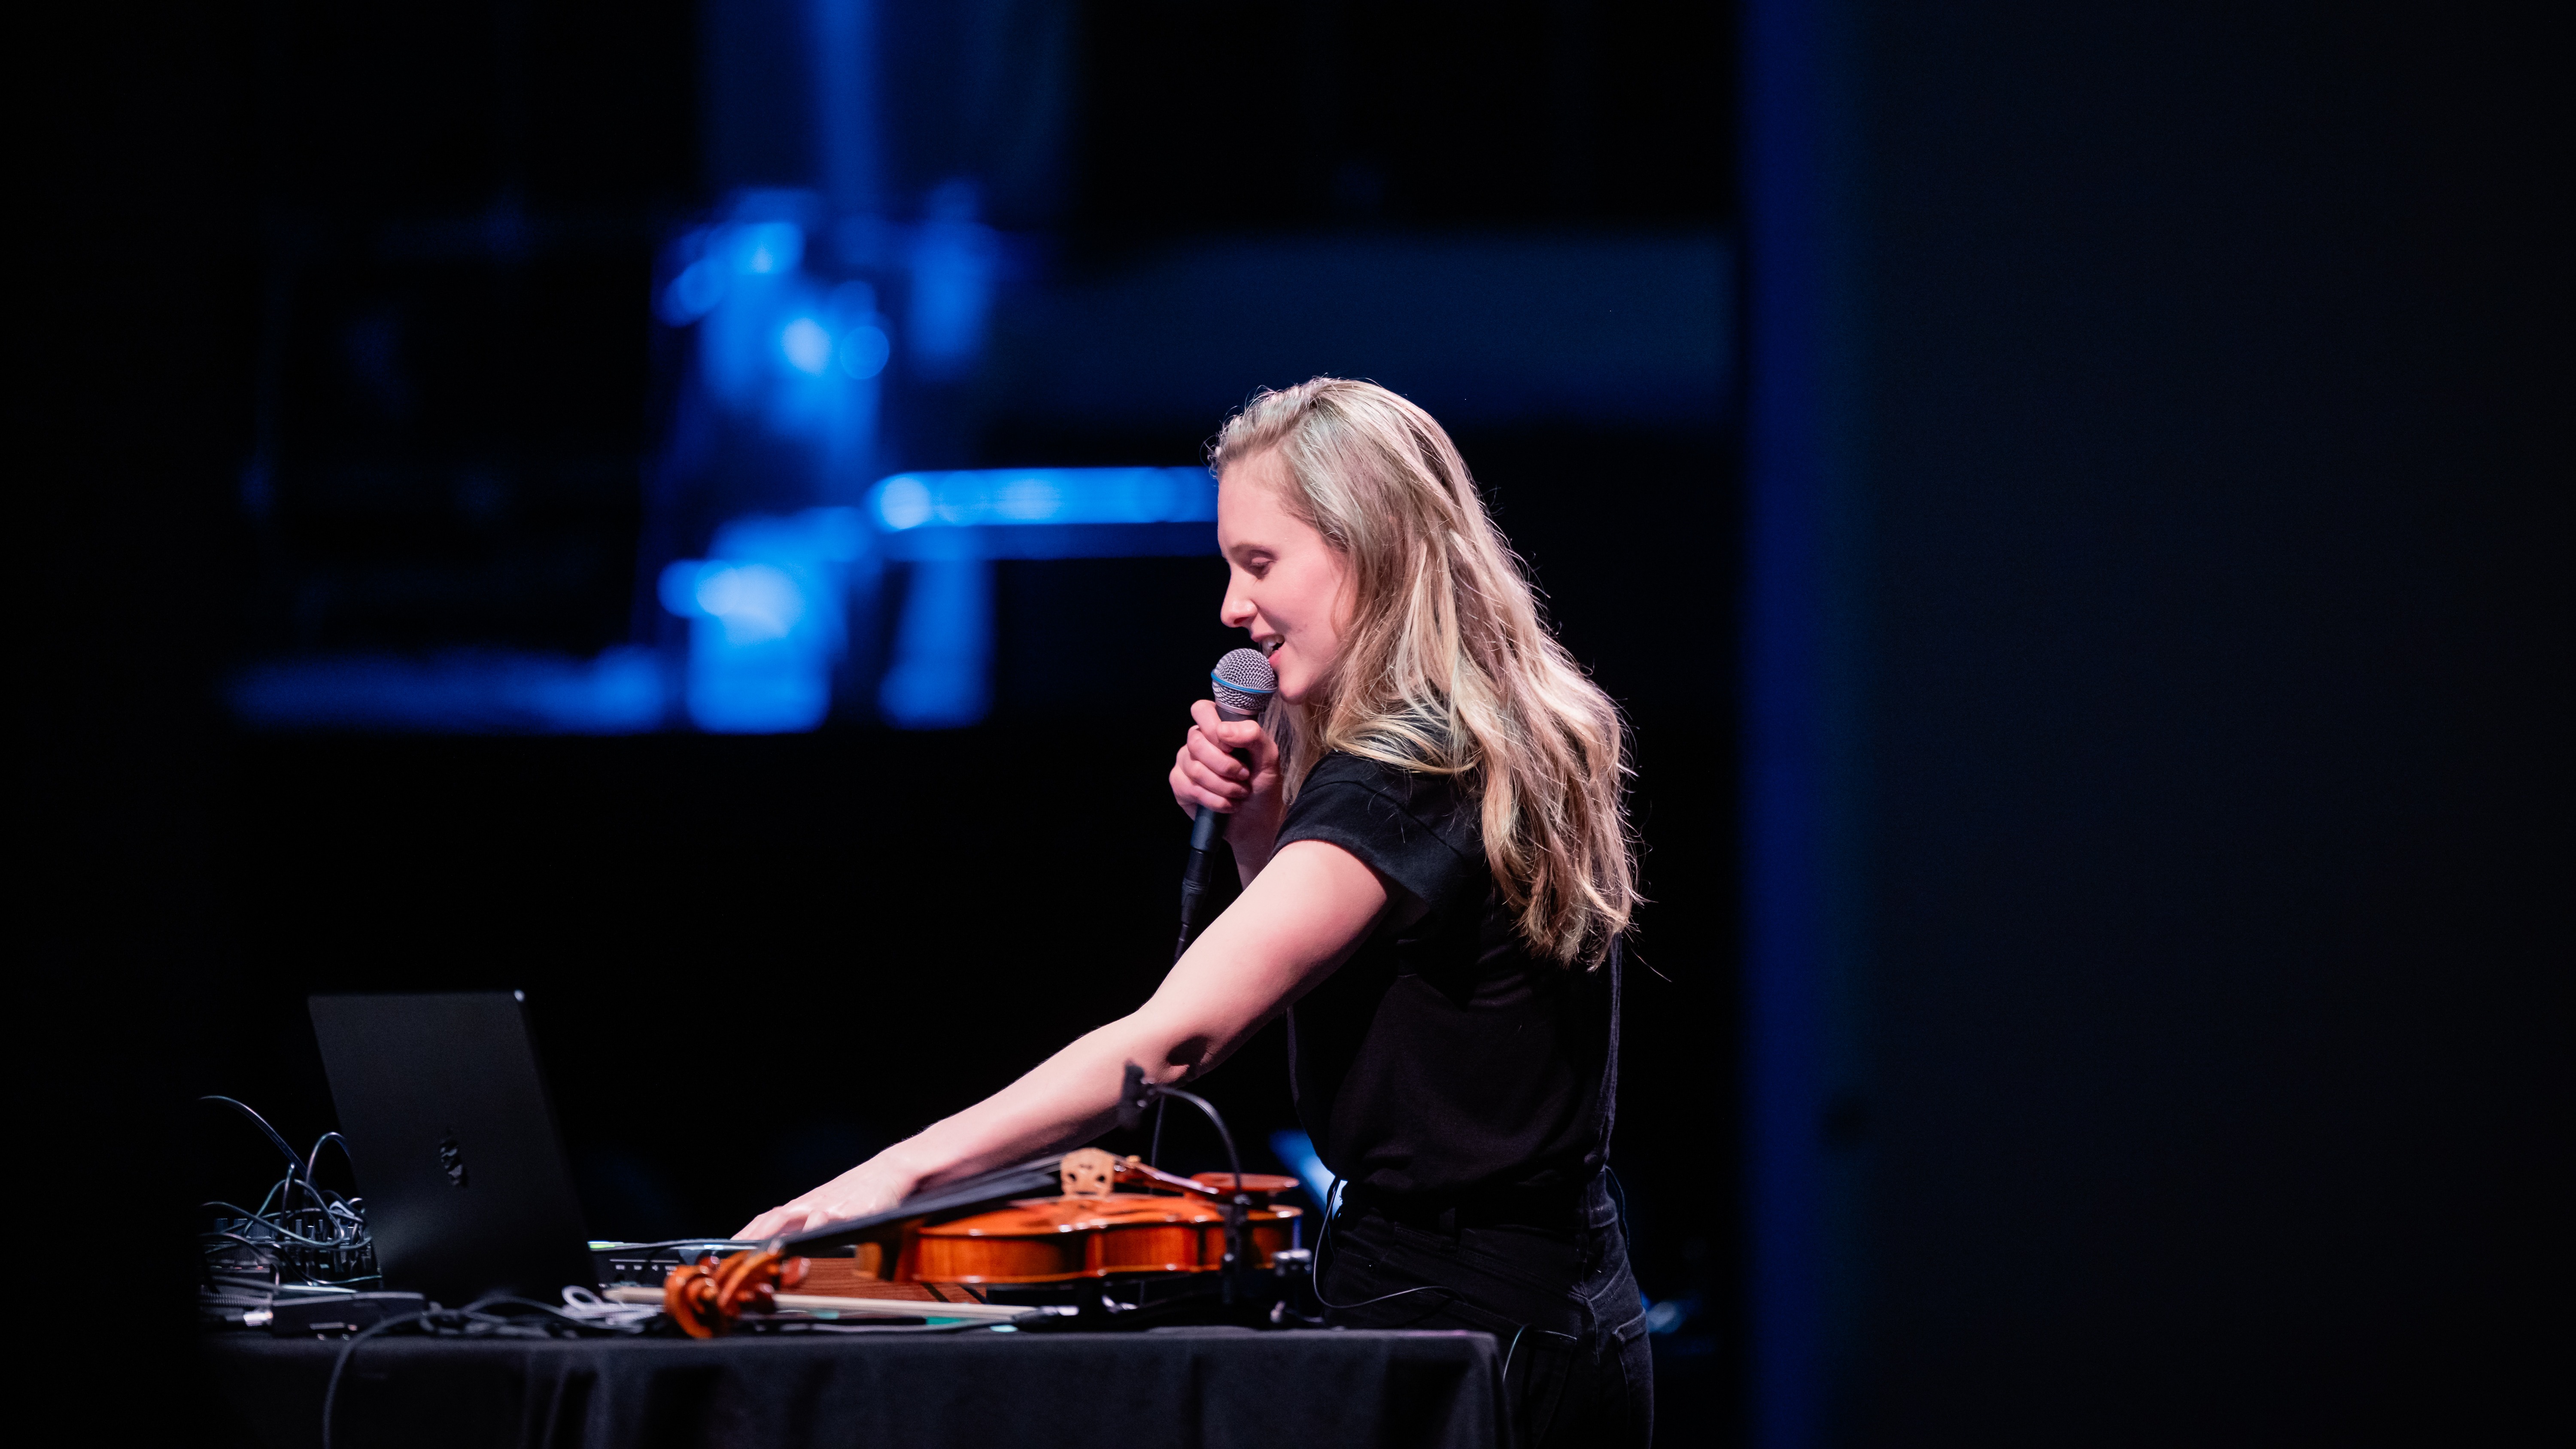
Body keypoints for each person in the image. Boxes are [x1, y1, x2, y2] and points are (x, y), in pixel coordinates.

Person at [740, 377, 1649, 1446]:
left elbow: (1175, 1039)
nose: (1231, 605)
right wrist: (1265, 828)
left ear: (1369, 546)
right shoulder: (1482, 736)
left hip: (1468, 1329)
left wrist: (895, 1178)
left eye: (1260, 562)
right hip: (1547, 1303)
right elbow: (1374, 992)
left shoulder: (1409, 770)